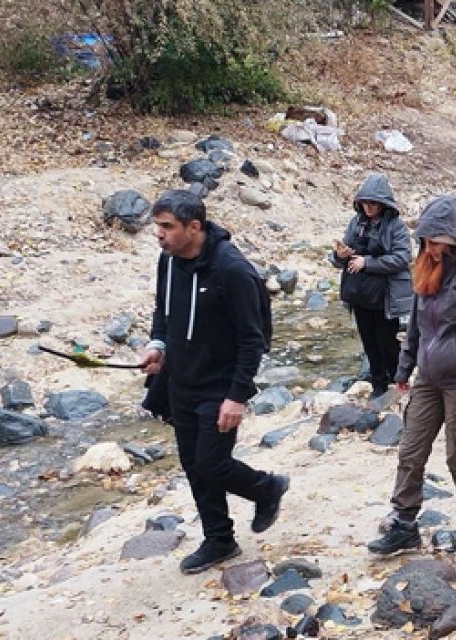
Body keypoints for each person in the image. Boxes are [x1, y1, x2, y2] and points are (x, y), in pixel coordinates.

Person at [139, 190, 289, 575]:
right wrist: (158, 345)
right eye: (157, 226)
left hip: (219, 386)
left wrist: (237, 396)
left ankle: (266, 488)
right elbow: (163, 308)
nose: (159, 234)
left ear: (194, 227)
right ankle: (219, 539)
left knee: (212, 463)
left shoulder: (232, 270)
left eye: (167, 227)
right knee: (193, 464)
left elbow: (253, 339)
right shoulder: (168, 261)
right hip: (180, 381)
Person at [367, 195, 456, 555]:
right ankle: (404, 523)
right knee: (410, 451)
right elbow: (416, 323)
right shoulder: (428, 266)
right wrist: (404, 368)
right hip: (428, 380)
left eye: (437, 241)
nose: (429, 249)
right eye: (426, 241)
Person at [329, 174, 413, 396]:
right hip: (359, 295)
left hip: (385, 296)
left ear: (384, 204)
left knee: (387, 341)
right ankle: (378, 384)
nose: (368, 207)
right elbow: (340, 258)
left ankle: (398, 381)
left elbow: (403, 258)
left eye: (373, 203)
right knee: (368, 341)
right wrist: (340, 255)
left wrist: (368, 262)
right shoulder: (355, 222)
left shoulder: (396, 227)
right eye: (365, 202)